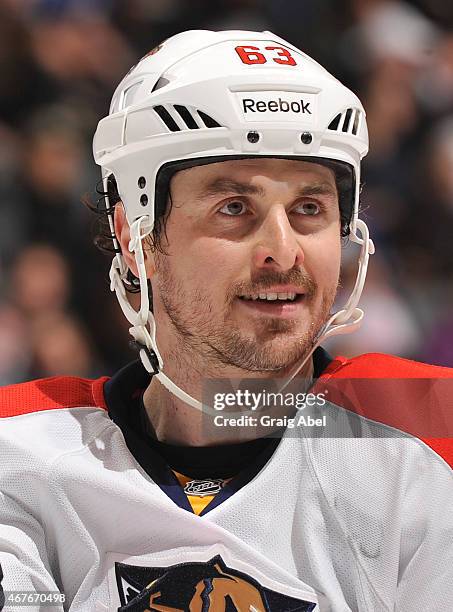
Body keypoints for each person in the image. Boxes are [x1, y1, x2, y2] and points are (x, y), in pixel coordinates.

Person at [1, 29, 453, 612]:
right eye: (233, 207)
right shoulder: (19, 450)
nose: (283, 251)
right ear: (134, 239)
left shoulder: (429, 436)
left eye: (309, 208)